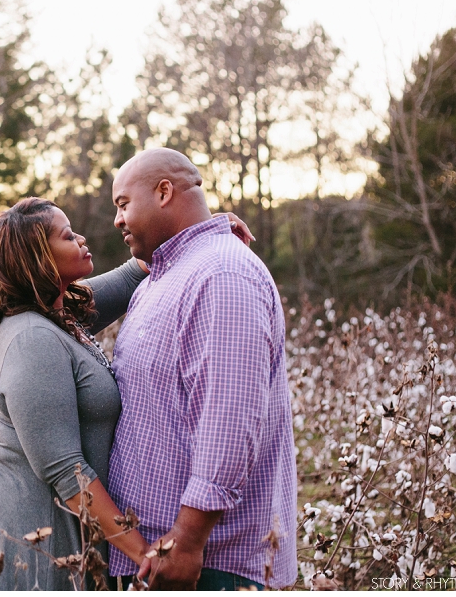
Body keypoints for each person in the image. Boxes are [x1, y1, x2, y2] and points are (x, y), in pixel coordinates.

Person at [0, 197, 252, 590]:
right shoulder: (31, 338)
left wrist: (203, 226)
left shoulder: (59, 313)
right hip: (26, 524)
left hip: (60, 518)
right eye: (67, 235)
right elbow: (66, 470)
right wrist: (146, 554)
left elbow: (132, 275)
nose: (81, 238)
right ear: (38, 257)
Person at [106, 148, 298, 590]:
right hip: (157, 554)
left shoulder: (222, 273)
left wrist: (188, 538)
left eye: (122, 204)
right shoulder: (165, 275)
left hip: (208, 565)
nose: (117, 220)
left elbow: (228, 420)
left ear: (164, 191)